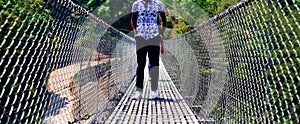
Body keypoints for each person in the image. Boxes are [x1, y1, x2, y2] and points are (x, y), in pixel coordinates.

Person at [131, 0, 166, 100]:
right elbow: (133, 20)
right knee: (140, 64)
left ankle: (154, 92)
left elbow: (164, 21)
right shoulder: (136, 4)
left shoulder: (159, 4)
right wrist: (135, 33)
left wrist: (160, 35)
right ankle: (138, 92)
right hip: (140, 37)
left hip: (154, 37)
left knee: (155, 64)